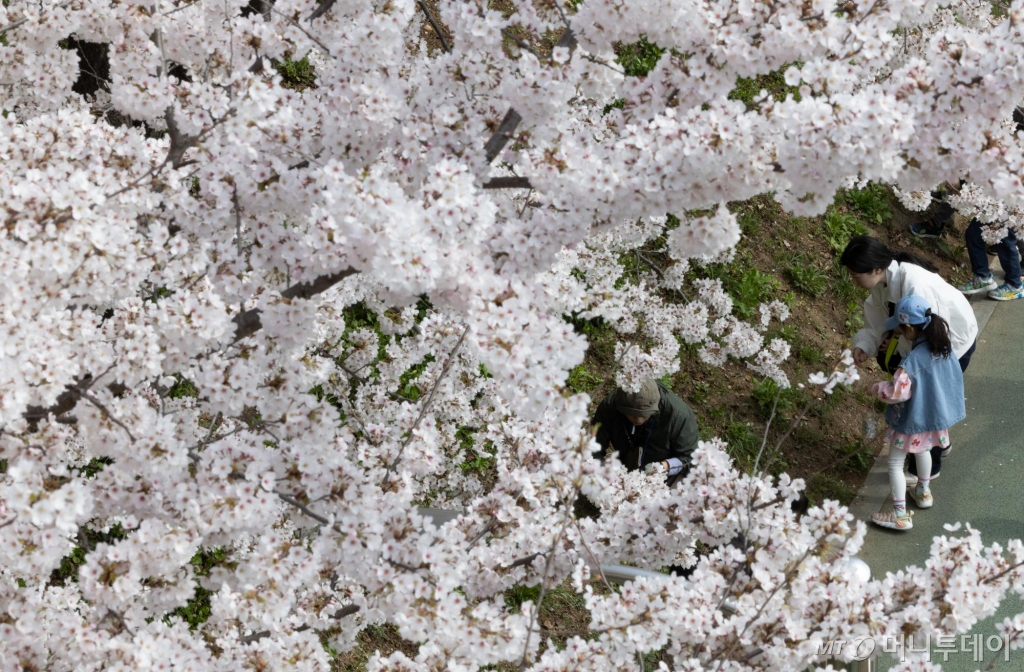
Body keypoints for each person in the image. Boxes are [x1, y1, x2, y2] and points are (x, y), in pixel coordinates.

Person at [840, 236, 977, 480]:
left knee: (926, 409)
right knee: (929, 405)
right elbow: (878, 324)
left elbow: (933, 338)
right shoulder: (883, 285)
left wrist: (905, 372)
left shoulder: (915, 285)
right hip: (928, 348)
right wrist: (866, 345)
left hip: (950, 345)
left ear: (876, 269)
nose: (853, 280)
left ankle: (925, 473)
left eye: (855, 274)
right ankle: (939, 445)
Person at [868, 296, 966, 530]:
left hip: (912, 420)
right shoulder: (942, 346)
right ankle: (923, 491)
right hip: (933, 417)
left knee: (895, 463)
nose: (900, 334)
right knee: (923, 450)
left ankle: (900, 515)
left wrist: (877, 388)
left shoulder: (911, 362)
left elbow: (897, 393)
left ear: (909, 327)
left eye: (901, 330)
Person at [592, 378, 699, 483]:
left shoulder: (677, 415)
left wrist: (662, 467)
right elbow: (592, 447)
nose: (638, 420)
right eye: (632, 415)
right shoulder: (609, 407)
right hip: (627, 467)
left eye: (644, 415)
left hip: (665, 474)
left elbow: (691, 458)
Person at [956, 218, 1024, 301]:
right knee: (974, 234)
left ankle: (1014, 285)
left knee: (1005, 242)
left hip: (1006, 211)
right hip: (993, 209)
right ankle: (983, 277)